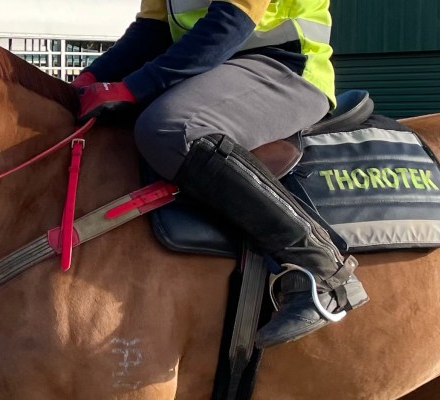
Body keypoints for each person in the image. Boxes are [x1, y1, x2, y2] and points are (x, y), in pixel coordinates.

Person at [74, 0, 367, 347]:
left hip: (285, 66)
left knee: (170, 128)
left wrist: (133, 88)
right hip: (209, 70)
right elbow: (153, 30)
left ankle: (323, 269)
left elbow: (233, 20)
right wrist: (88, 80)